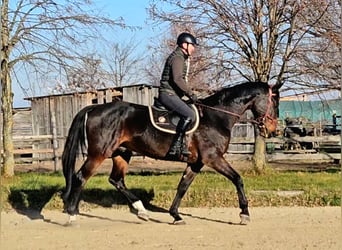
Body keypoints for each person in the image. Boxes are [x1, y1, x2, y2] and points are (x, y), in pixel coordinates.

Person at [158, 32, 199, 159]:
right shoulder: (177, 58)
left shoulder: (181, 57)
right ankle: (176, 145)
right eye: (192, 45)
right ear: (184, 45)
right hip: (168, 94)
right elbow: (177, 79)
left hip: (173, 94)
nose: (194, 48)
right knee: (190, 114)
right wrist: (191, 94)